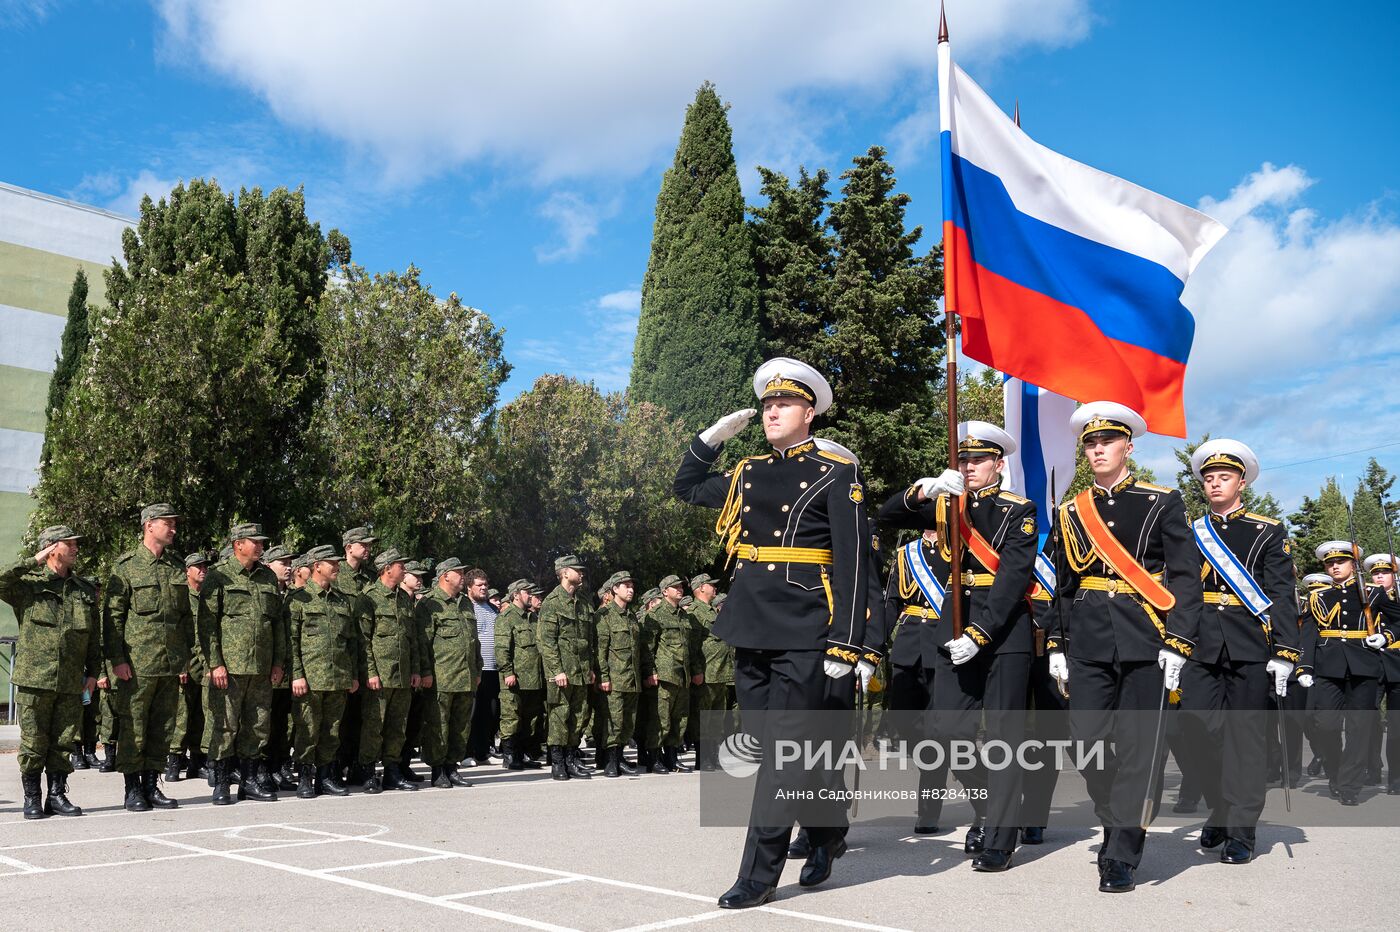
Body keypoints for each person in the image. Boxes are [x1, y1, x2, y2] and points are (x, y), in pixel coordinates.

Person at [674, 356, 872, 908]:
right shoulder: (749, 472)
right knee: (779, 751)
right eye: (766, 404)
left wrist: (848, 642)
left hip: (806, 626)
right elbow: (686, 487)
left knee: (785, 755)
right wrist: (710, 440)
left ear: (809, 413)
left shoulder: (838, 475)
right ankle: (829, 830)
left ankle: (758, 875)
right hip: (753, 622)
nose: (771, 412)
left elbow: (855, 565)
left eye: (783, 404)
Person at [1046, 402, 1202, 893]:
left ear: (1128, 447)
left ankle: (1121, 851)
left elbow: (1184, 576)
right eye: (1090, 444)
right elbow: (1063, 584)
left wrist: (1179, 639)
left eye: (1106, 443)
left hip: (1147, 637)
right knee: (1085, 742)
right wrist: (1056, 642)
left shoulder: (1162, 500)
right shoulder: (1071, 511)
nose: (1097, 450)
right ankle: (1115, 815)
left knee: (1141, 750)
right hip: (1089, 637)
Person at [877, 421, 1038, 872]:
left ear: (998, 465)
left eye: (978, 460)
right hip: (955, 626)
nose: (968, 467)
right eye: (963, 460)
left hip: (1002, 633)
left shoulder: (1017, 509)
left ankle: (1000, 837)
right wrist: (922, 492)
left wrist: (980, 634)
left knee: (1005, 737)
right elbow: (887, 517)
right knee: (945, 730)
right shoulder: (948, 506)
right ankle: (990, 804)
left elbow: (1011, 580)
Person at [1171, 439, 1302, 864]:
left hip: (1249, 644)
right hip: (1200, 642)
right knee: (1196, 730)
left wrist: (1285, 650)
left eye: (1223, 477)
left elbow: (1282, 593)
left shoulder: (1267, 531)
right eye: (1208, 478)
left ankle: (1241, 828)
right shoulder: (1191, 532)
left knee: (1244, 740)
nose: (1214, 484)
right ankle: (1222, 806)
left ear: (1241, 482)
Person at [0, 526, 101, 819]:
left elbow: (93, 637)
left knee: (62, 742)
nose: (75, 548)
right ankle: (32, 798)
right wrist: (34, 559)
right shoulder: (28, 587)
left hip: (70, 681)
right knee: (33, 743)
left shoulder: (82, 590)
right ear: (51, 548)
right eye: (69, 544)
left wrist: (93, 673)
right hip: (35, 681)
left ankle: (56, 796)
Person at [104, 503, 192, 812]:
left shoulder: (176, 566)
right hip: (137, 664)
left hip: (169, 663)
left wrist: (186, 657)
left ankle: (152, 785)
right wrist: (117, 660)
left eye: (174, 523)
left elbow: (185, 618)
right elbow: (112, 619)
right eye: (168, 523)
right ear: (149, 525)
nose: (173, 529)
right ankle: (132, 789)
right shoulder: (126, 566)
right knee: (134, 727)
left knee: (162, 726)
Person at [1303, 541, 1399, 804]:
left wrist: (1386, 636)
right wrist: (1305, 666)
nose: (1334, 566)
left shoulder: (1372, 592)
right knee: (1325, 726)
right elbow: (1309, 633)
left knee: (1359, 728)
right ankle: (1335, 772)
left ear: (1353, 564)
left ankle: (1349, 785)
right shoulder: (1318, 597)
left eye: (1340, 562)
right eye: (1329, 563)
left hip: (1364, 665)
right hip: (1328, 666)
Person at [198, 522, 287, 805]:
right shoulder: (218, 576)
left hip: (261, 667)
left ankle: (249, 781)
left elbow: (277, 625)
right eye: (255, 542)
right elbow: (207, 624)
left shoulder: (267, 578)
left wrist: (277, 662)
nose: (260, 547)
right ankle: (222, 782)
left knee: (258, 726)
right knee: (225, 725)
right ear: (239, 544)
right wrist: (215, 664)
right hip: (230, 667)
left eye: (261, 542)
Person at [287, 545, 361, 798]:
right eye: (332, 563)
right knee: (307, 729)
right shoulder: (298, 599)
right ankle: (305, 777)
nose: (337, 567)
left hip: (338, 676)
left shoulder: (342, 600)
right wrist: (297, 674)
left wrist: (352, 675)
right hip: (310, 677)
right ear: (317, 565)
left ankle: (326, 776)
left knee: (332, 730)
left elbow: (351, 642)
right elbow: (291, 641)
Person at [357, 549, 421, 792]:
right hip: (380, 676)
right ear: (387, 569)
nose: (404, 569)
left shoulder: (404, 599)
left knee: (397, 726)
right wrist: (371, 672)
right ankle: (367, 771)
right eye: (400, 565)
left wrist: (415, 669)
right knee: (374, 726)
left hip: (403, 674)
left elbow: (411, 639)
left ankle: (392, 771)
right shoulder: (369, 597)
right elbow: (364, 640)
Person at [417, 557, 482, 788]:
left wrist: (478, 668)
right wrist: (425, 672)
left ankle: (452, 766)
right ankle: (438, 769)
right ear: (445, 575)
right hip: (441, 676)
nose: (463, 576)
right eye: (459, 572)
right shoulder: (429, 604)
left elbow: (474, 641)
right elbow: (423, 643)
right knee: (438, 725)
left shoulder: (465, 603)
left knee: (460, 725)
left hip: (465, 675)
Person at [537, 554, 596, 781]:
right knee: (560, 716)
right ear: (564, 572)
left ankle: (572, 759)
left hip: (581, 670)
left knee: (579, 716)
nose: (581, 573)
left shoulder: (582, 602)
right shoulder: (552, 603)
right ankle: (558, 762)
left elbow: (587, 640)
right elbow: (546, 641)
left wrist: (589, 667)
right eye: (576, 569)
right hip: (562, 672)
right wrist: (556, 670)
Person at [650, 574, 704, 773]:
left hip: (684, 675)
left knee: (680, 718)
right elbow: (648, 648)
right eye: (675, 587)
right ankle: (655, 757)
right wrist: (651, 672)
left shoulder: (685, 616)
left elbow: (693, 648)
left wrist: (696, 671)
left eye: (681, 587)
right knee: (661, 718)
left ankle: (672, 757)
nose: (680, 590)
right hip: (665, 675)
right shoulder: (655, 615)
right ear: (665, 591)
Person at [166, 551, 212, 782]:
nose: (203, 570)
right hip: (186, 661)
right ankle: (174, 761)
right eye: (198, 567)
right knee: (182, 714)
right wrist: (181, 665)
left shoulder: (208, 596)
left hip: (205, 663)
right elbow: (174, 632)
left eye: (205, 567)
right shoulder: (182, 596)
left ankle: (197, 762)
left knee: (201, 715)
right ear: (187, 571)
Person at [595, 571, 645, 776]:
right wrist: (604, 677)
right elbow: (600, 650)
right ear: (615, 589)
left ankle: (621, 757)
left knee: (628, 721)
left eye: (632, 586)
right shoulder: (604, 615)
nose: (631, 589)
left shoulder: (632, 617)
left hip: (632, 679)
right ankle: (610, 761)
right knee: (613, 720)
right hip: (614, 679)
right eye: (626, 586)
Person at [496, 579, 545, 770]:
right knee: (511, 717)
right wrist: (508, 671)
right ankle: (509, 756)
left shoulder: (533, 618)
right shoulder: (506, 617)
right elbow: (501, 648)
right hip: (514, 679)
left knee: (531, 719)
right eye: (527, 592)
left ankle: (523, 754)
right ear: (516, 595)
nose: (531, 596)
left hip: (534, 678)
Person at [689, 573, 735, 772]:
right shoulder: (695, 612)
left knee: (717, 717)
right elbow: (692, 645)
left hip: (721, 672)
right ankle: (703, 757)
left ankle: (713, 755)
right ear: (700, 588)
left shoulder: (710, 611)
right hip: (706, 672)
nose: (714, 588)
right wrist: (697, 670)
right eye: (710, 585)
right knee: (704, 717)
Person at [1364, 553, 1400, 793]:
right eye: (1376, 573)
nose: (1379, 576)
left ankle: (1395, 778)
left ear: (1394, 575)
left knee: (1396, 724)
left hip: (1397, 663)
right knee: (1368, 720)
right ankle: (1371, 769)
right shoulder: (1365, 596)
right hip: (1372, 663)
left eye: (1385, 572)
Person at [463, 568, 499, 767]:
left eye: (486, 584)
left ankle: (483, 752)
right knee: (472, 713)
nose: (484, 588)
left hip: (493, 669)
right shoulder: (465, 607)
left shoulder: (493, 609)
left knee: (489, 713)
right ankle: (466, 753)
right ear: (469, 587)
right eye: (479, 585)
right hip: (475, 669)